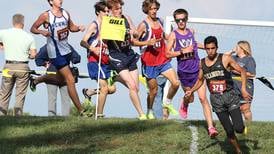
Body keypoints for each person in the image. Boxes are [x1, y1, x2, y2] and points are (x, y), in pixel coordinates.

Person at [185, 36, 252, 153]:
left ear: (217, 47)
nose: (210, 51)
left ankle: (240, 127)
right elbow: (200, 80)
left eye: (213, 48)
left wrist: (243, 89)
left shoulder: (225, 58)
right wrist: (191, 90)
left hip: (230, 96)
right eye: (208, 49)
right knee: (229, 130)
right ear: (205, 49)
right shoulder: (202, 63)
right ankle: (238, 151)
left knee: (239, 128)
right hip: (216, 100)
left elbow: (242, 71)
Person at [30, 0, 90, 116]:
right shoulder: (46, 15)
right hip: (55, 53)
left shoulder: (66, 13)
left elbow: (71, 27)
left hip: (66, 50)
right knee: (70, 80)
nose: (60, 0)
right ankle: (82, 111)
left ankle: (37, 80)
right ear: (51, 1)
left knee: (58, 77)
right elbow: (33, 28)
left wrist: (79, 28)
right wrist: (42, 31)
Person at [165, 8, 218, 137]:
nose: (181, 22)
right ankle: (185, 103)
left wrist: (207, 48)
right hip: (184, 73)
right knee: (190, 97)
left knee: (203, 98)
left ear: (187, 19)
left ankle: (211, 128)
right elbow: (167, 53)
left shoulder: (191, 32)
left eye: (183, 19)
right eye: (178, 20)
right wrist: (181, 52)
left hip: (197, 70)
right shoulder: (174, 35)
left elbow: (194, 44)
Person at [106, 0, 153, 120]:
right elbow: (103, 41)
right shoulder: (108, 21)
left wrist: (135, 33)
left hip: (129, 54)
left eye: (120, 8)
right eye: (116, 9)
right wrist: (109, 35)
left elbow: (134, 34)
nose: (119, 11)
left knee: (136, 88)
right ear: (111, 9)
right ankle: (142, 114)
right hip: (116, 55)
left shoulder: (126, 17)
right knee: (132, 86)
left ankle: (114, 78)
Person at [137, 0, 180, 120]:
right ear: (147, 10)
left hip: (163, 60)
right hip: (149, 63)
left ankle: (167, 103)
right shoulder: (143, 25)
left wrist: (175, 37)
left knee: (176, 83)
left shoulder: (160, 21)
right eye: (151, 9)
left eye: (155, 9)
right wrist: (147, 42)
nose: (154, 11)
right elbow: (133, 41)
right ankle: (149, 110)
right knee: (153, 91)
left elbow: (165, 36)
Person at [80, 0, 116, 118]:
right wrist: (92, 48)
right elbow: (82, 41)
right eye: (104, 11)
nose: (107, 13)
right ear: (98, 12)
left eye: (108, 11)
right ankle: (99, 114)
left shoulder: (109, 25)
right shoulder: (94, 25)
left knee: (112, 89)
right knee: (105, 88)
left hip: (106, 61)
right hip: (95, 61)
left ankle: (89, 92)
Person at [0, 13, 37, 116]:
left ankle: (1, 116)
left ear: (13, 22)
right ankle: (17, 117)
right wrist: (28, 55)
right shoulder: (29, 37)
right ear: (23, 23)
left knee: (4, 93)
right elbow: (34, 55)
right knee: (20, 94)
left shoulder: (4, 33)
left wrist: (2, 44)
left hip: (8, 67)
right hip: (23, 67)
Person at [227, 41, 256, 125]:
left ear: (242, 48)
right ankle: (237, 127)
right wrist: (230, 51)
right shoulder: (233, 58)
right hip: (233, 87)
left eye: (237, 47)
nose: (235, 48)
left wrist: (237, 72)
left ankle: (250, 126)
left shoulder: (249, 59)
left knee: (245, 108)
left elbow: (252, 74)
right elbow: (224, 58)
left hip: (246, 87)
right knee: (234, 109)